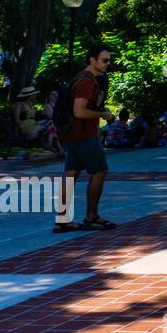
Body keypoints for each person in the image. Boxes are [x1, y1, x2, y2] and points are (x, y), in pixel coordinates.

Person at [54, 44, 117, 233]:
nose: (108, 63)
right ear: (92, 60)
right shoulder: (86, 82)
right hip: (84, 134)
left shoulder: (81, 78)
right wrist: (103, 115)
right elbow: (79, 111)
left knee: (71, 173)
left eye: (109, 60)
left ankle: (63, 219)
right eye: (104, 60)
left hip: (72, 134)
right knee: (99, 171)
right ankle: (92, 217)